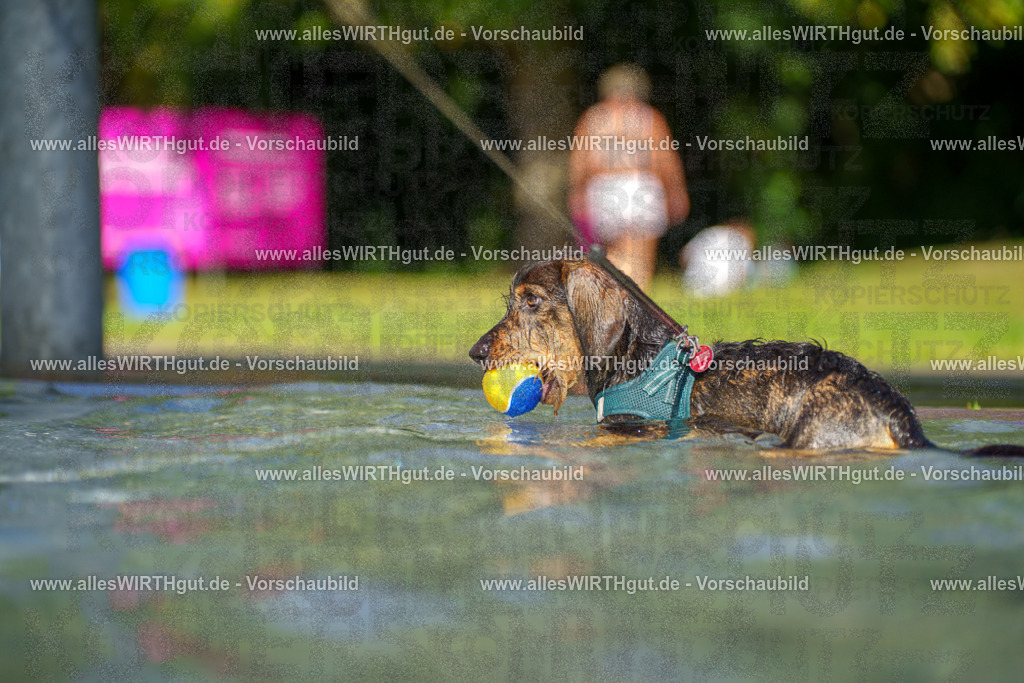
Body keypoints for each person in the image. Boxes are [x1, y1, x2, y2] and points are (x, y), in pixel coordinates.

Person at [568, 63, 690, 290]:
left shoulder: (593, 118)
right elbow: (664, 157)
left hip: (603, 187)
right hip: (640, 185)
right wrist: (676, 190)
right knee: (640, 255)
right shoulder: (648, 117)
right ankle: (634, 301)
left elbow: (579, 162)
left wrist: (577, 193)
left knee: (613, 253)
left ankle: (613, 296)